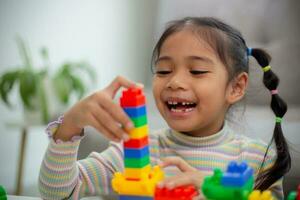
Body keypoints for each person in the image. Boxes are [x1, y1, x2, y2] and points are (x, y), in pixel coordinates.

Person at [38, 17, 290, 199]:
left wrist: (219, 190)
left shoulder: (258, 160)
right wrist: (69, 127)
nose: (175, 81)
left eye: (197, 71)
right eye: (163, 71)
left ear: (235, 87)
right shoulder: (134, 154)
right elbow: (57, 192)